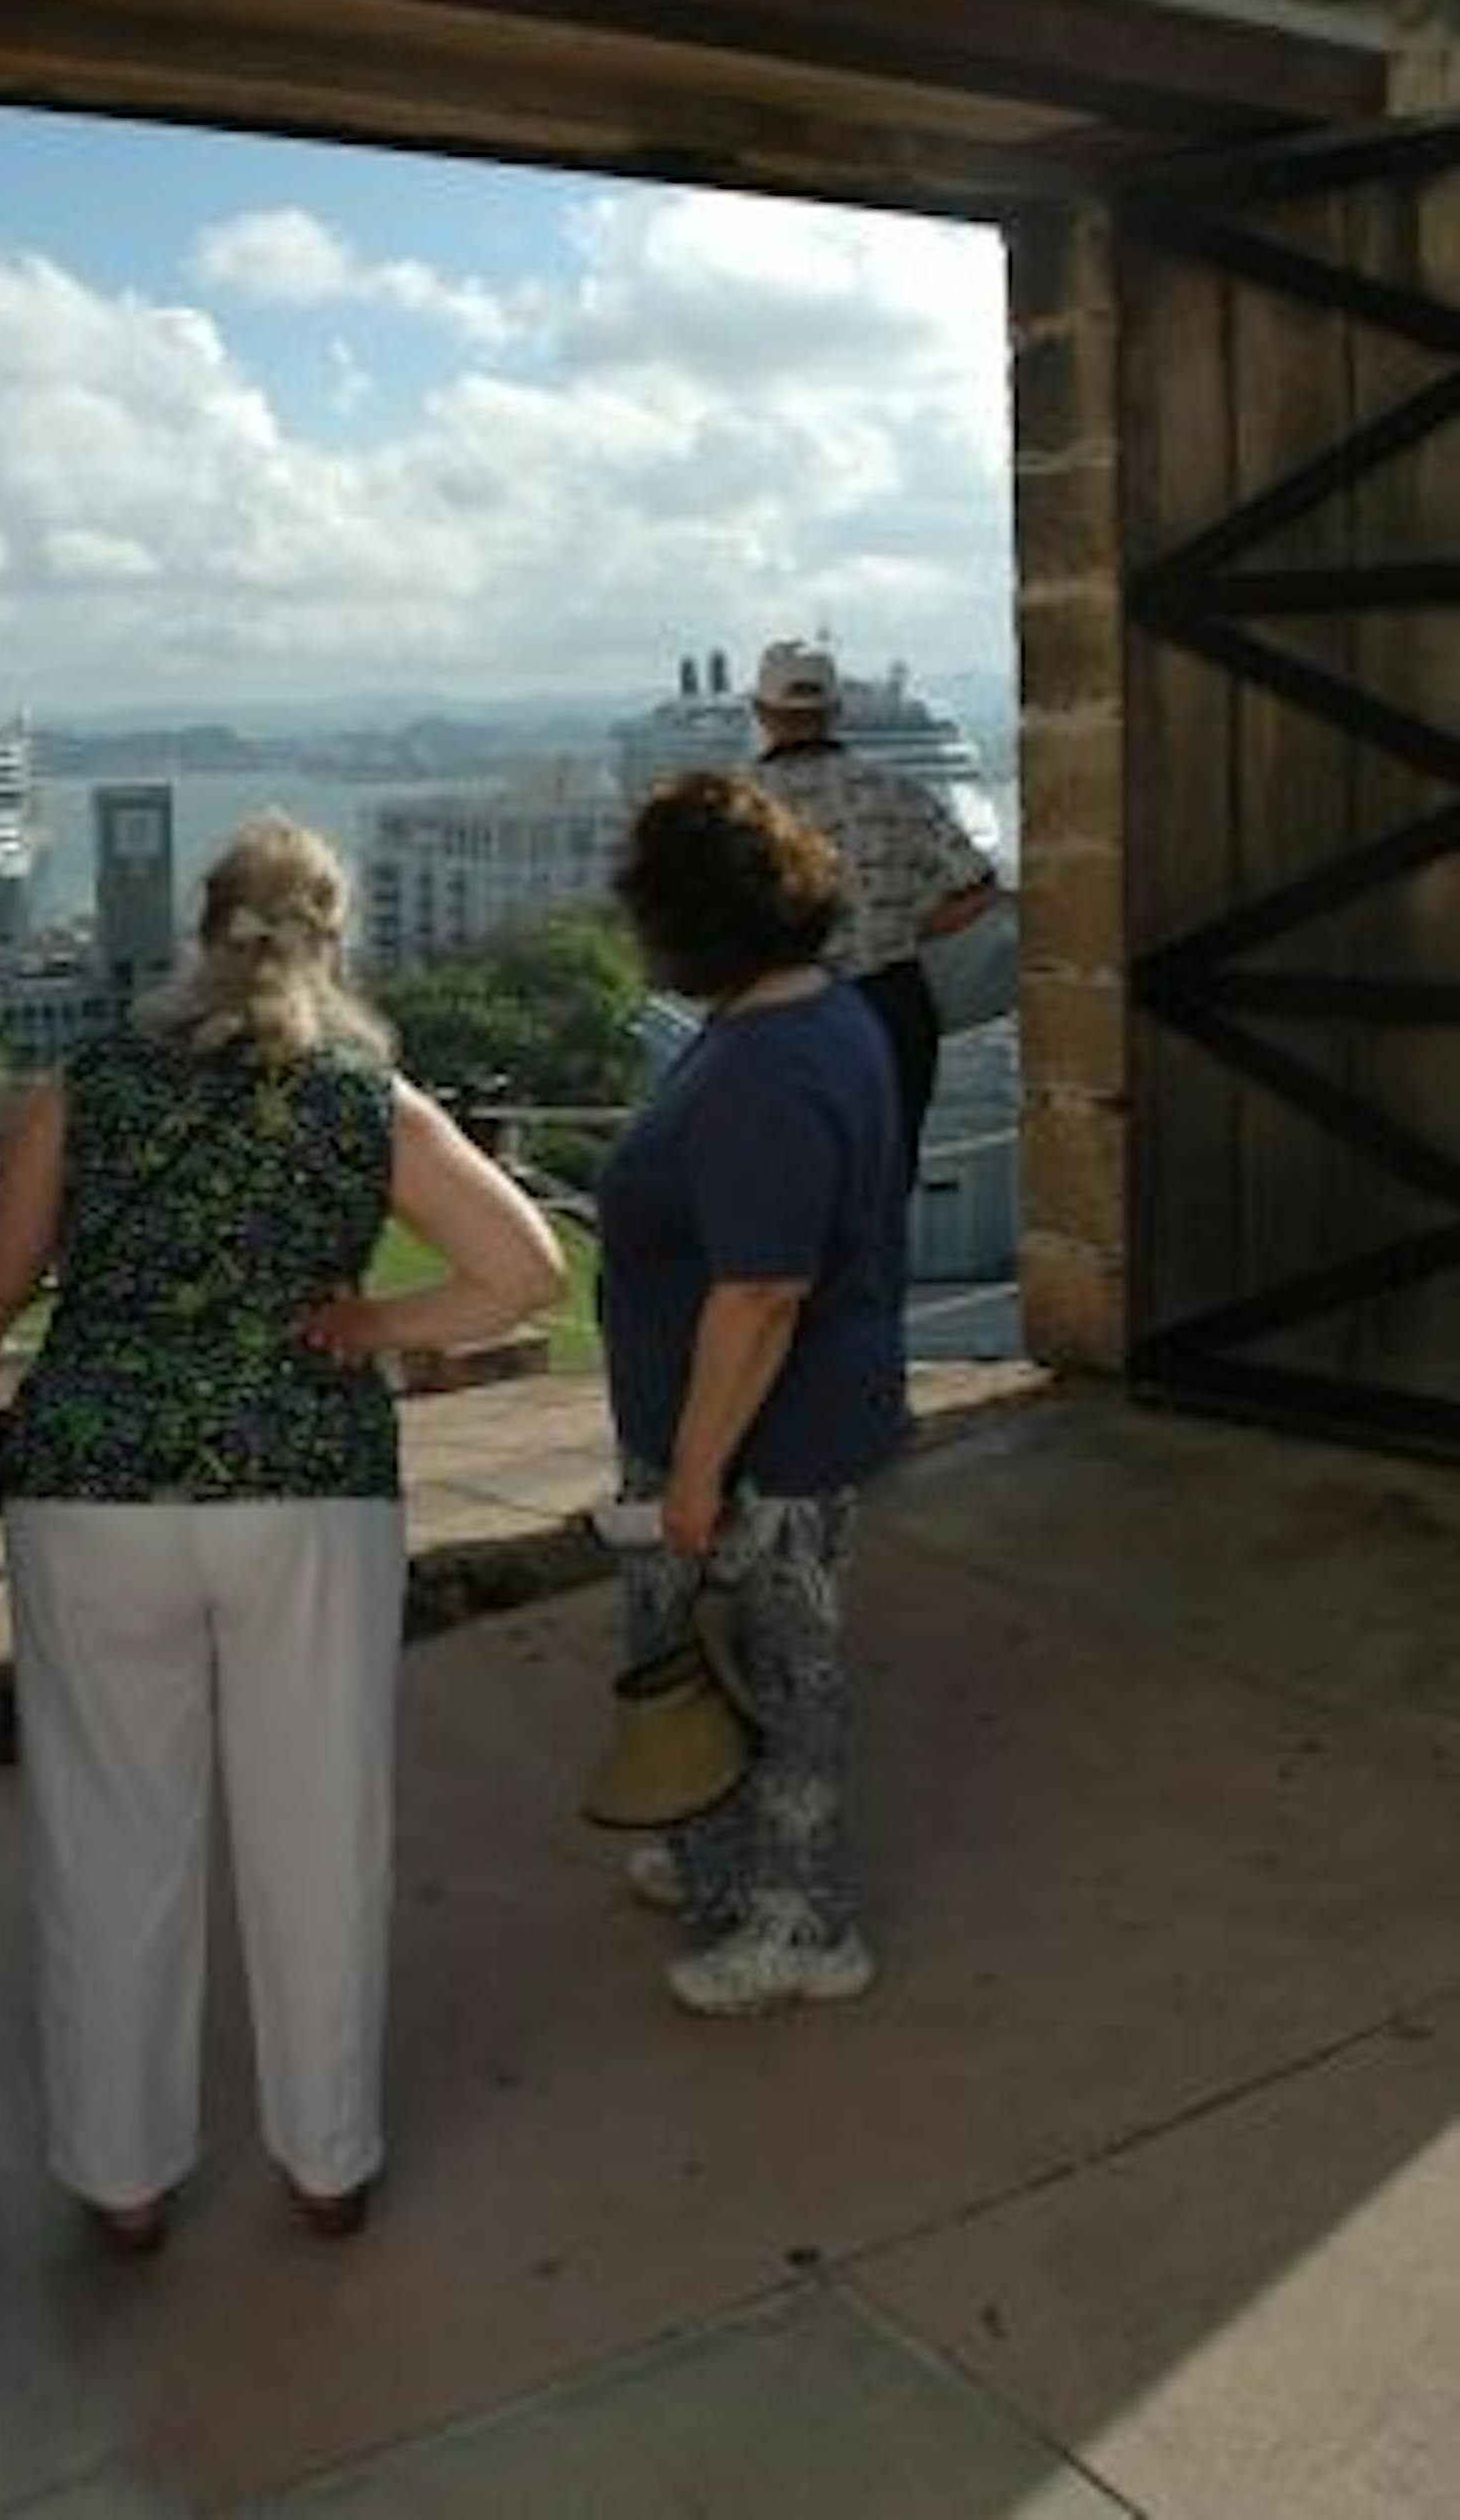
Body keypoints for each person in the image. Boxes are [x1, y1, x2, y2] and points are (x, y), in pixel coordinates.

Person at [0, 814, 565, 2254]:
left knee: (110, 1832)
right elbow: (524, 1267)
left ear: (204, 935)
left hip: (93, 1490)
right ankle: (327, 2159)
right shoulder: (364, 1098)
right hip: (306, 1486)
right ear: (333, 941)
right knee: (318, 1824)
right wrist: (375, 1324)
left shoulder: (91, 1087)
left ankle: (123, 2175)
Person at [598, 769, 908, 2016]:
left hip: (761, 1449)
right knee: (706, 1664)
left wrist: (690, 1477)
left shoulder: (770, 1066)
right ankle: (715, 1856)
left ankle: (804, 1927)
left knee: (781, 1680)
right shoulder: (810, 1017)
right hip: (755, 1433)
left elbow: (762, 1293)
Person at [746, 638, 999, 1187]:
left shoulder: (742, 807)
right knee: (885, 1182)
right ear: (835, 712)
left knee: (788, 1180)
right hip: (893, 1005)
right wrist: (910, 926)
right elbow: (980, 886)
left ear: (762, 713)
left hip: (782, 1008)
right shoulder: (899, 789)